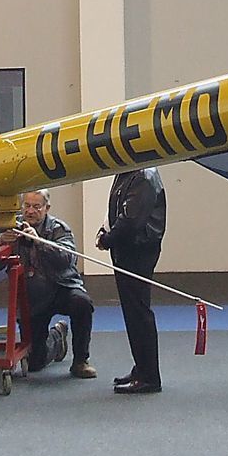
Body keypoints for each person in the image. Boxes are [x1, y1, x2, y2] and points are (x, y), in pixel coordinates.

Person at [8, 189, 96, 379]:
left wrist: (38, 241)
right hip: (31, 298)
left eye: (36, 207)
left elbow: (67, 259)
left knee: (82, 303)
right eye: (27, 206)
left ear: (47, 208)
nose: (30, 211)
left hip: (61, 288)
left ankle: (81, 360)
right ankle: (57, 338)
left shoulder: (59, 228)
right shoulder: (12, 228)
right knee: (34, 363)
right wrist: (0, 242)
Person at [98, 167, 167, 395]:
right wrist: (105, 231)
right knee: (133, 312)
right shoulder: (128, 173)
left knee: (139, 313)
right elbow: (119, 211)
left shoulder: (144, 176)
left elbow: (131, 221)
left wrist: (107, 239)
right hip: (127, 249)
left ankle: (149, 377)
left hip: (138, 250)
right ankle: (142, 368)